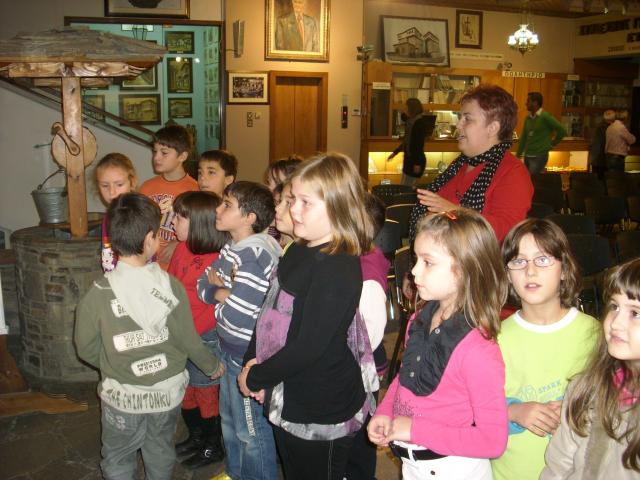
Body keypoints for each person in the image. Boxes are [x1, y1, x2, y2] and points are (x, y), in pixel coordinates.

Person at [238, 153, 376, 480]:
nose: (293, 210)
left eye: (305, 202)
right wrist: (253, 361)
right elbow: (270, 312)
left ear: (338, 206)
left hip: (320, 404)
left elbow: (309, 345)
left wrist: (257, 377)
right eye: (292, 200)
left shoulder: (338, 266)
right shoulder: (299, 248)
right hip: (289, 388)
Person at [74, 192, 223, 480]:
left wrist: (112, 363)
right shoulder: (172, 287)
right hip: (166, 394)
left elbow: (85, 347)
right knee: (160, 449)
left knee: (118, 456)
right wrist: (211, 365)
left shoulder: (97, 294)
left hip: (122, 397)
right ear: (149, 241)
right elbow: (188, 338)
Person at [368, 209, 509, 480]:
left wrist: (413, 429)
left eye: (428, 262)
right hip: (413, 467)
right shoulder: (420, 319)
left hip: (453, 469)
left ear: (465, 269)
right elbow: (405, 377)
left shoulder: (478, 350)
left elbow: (492, 441)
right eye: (416, 259)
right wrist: (385, 412)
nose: (414, 271)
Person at [492, 218, 599, 480]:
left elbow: (616, 403)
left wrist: (578, 409)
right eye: (518, 261)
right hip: (511, 473)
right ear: (507, 274)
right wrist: (514, 412)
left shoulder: (594, 334)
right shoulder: (494, 339)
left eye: (542, 259)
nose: (530, 271)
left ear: (564, 269)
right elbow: (473, 409)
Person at [196, 181, 281, 480]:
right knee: (230, 422)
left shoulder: (254, 255)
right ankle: (235, 473)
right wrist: (222, 292)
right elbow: (202, 284)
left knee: (251, 431)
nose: (218, 210)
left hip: (245, 354)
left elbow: (238, 314)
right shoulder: (233, 247)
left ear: (249, 218)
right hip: (229, 348)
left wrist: (220, 296)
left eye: (227, 205)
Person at [540, 258, 640, 479]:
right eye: (614, 307)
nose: (616, 323)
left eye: (635, 313)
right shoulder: (586, 388)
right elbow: (558, 466)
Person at [410, 85, 533, 243]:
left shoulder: (513, 172)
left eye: (467, 119)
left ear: (492, 128)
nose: (458, 125)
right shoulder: (460, 164)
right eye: (460, 118)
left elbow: (507, 234)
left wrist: (455, 212)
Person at [168, 191, 229, 470]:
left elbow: (212, 307)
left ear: (200, 224)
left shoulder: (218, 259)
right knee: (187, 390)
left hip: (203, 338)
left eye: (179, 217)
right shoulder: (181, 249)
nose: (172, 222)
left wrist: (189, 336)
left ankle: (212, 445)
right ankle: (196, 437)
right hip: (181, 336)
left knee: (206, 392)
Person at [346, 192, 390, 480]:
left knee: (360, 434)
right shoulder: (354, 258)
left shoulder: (367, 273)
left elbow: (369, 335)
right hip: (353, 364)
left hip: (360, 367)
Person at [140, 125, 198, 270]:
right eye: (155, 151)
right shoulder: (146, 187)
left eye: (164, 153)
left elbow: (202, 231)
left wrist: (181, 243)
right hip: (149, 265)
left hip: (179, 267)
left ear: (182, 156)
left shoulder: (195, 190)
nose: (156, 157)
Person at [94, 153, 138, 273]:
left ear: (132, 182)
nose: (112, 192)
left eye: (119, 185)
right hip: (113, 277)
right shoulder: (108, 216)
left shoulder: (139, 214)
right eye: (105, 185)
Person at [516, 92, 566, 175]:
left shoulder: (545, 116)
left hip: (539, 156)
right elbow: (524, 138)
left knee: (533, 180)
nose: (526, 103)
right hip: (527, 156)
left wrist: (552, 144)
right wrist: (518, 156)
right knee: (527, 180)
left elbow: (562, 130)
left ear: (535, 103)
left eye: (528, 101)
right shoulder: (528, 118)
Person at [388, 98, 433, 187]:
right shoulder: (411, 122)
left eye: (406, 107)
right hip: (409, 160)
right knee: (405, 186)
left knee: (407, 188)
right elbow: (407, 141)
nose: (404, 109)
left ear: (412, 108)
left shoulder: (418, 123)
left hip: (414, 162)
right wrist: (395, 152)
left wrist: (417, 163)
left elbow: (418, 145)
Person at [588, 110, 615, 180]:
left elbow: (594, 143)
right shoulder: (610, 128)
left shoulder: (598, 127)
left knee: (597, 181)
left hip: (596, 159)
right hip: (603, 159)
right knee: (604, 181)